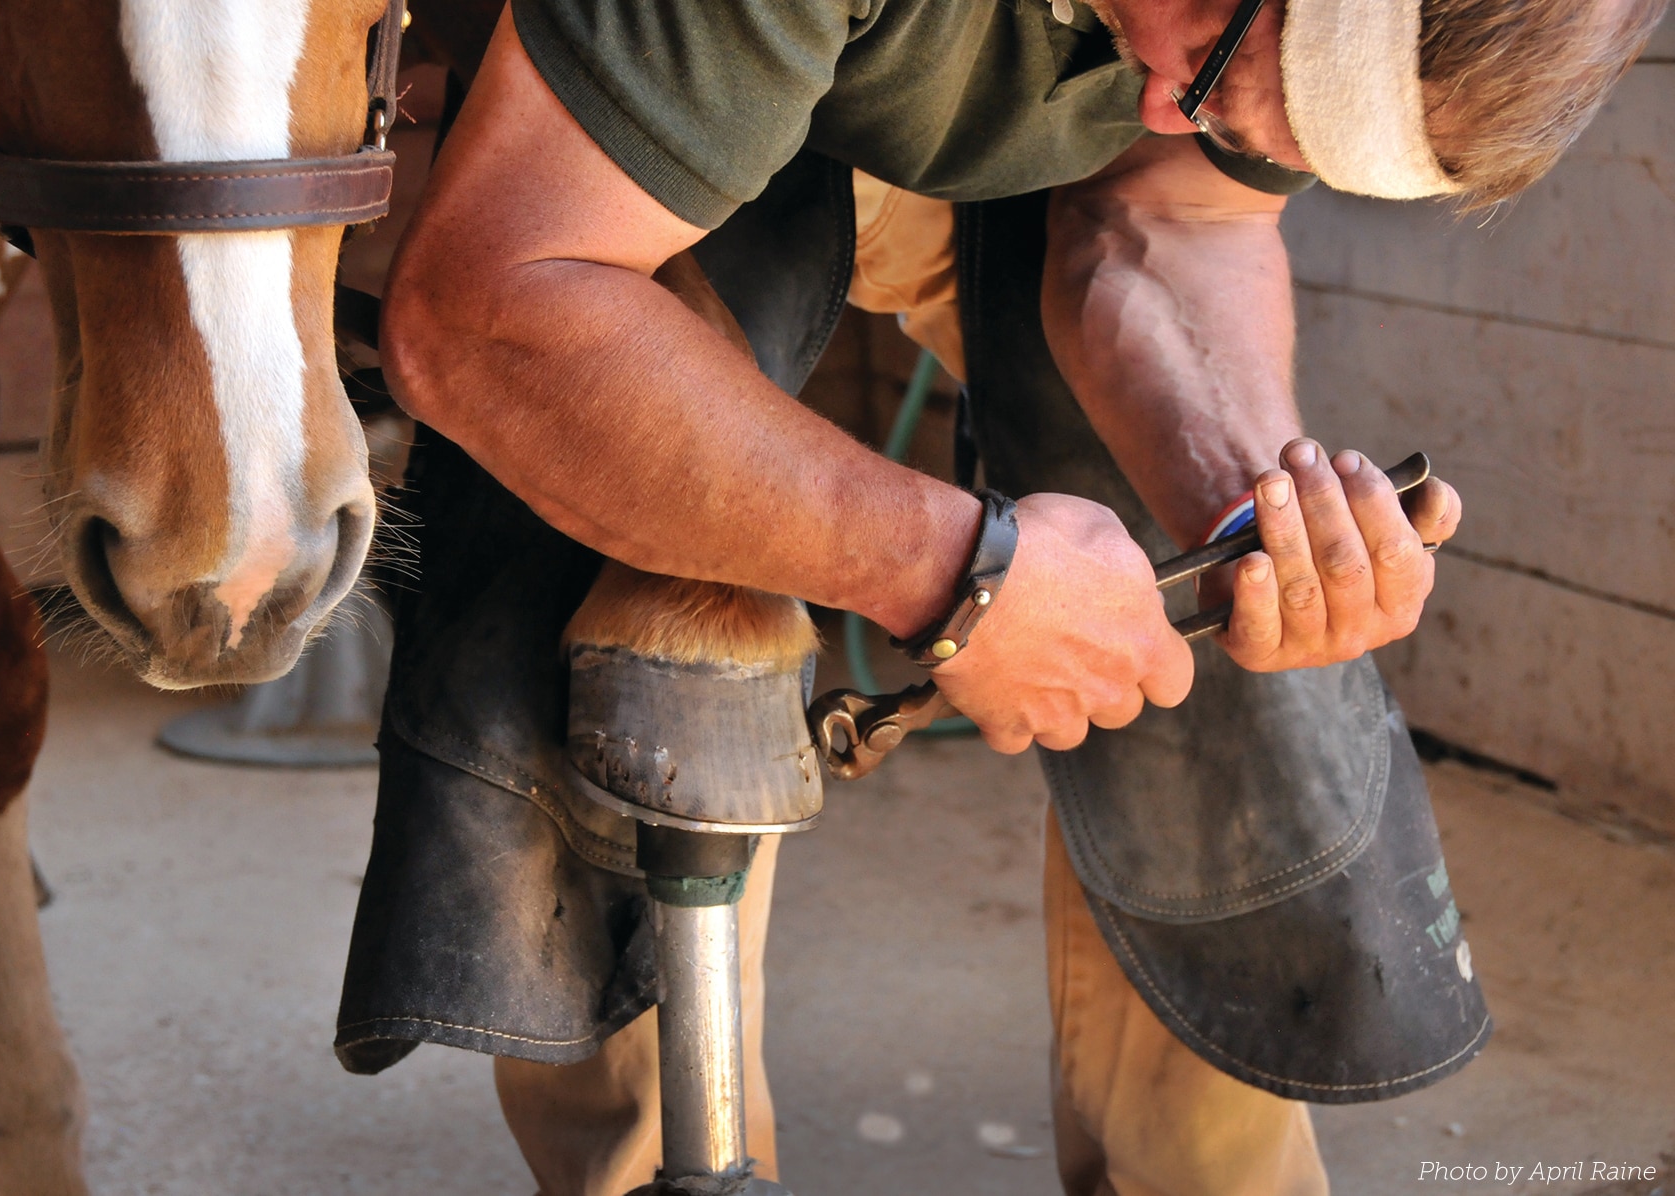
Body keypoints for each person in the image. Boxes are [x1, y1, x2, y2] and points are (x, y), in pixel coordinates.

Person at [333, 1, 1666, 1193]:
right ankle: (650, 1163)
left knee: (1196, 601)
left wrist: (1248, 507)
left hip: (962, 124)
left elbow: (1176, 202)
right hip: (643, 129)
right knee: (647, 601)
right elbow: (487, 314)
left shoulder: (1265, 39)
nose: (1164, 102)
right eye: (1206, 65)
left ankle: (1203, 1177)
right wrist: (951, 575)